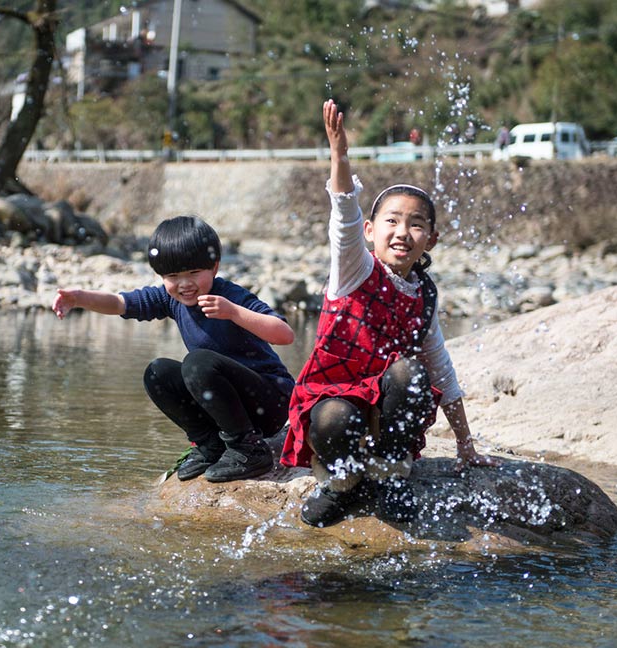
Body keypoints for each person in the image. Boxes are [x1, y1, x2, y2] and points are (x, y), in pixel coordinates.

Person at [281, 99, 500, 528]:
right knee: (332, 415)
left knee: (409, 372)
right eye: (392, 221)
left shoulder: (425, 296)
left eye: (416, 224)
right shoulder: (354, 268)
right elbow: (343, 213)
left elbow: (442, 372)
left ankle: (391, 475)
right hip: (335, 404)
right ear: (370, 231)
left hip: (384, 417)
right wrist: (340, 156)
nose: (403, 232)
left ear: (431, 240)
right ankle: (343, 484)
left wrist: (465, 444)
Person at [52, 215, 296, 483]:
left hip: (271, 404)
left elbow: (284, 334)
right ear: (162, 276)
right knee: (157, 372)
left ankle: (248, 450)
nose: (184, 284)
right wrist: (79, 298)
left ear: (214, 267)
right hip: (230, 408)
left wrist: (234, 312)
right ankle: (210, 443)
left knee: (197, 363)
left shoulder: (231, 297)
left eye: (194, 273)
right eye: (173, 276)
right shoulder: (170, 300)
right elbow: (120, 303)